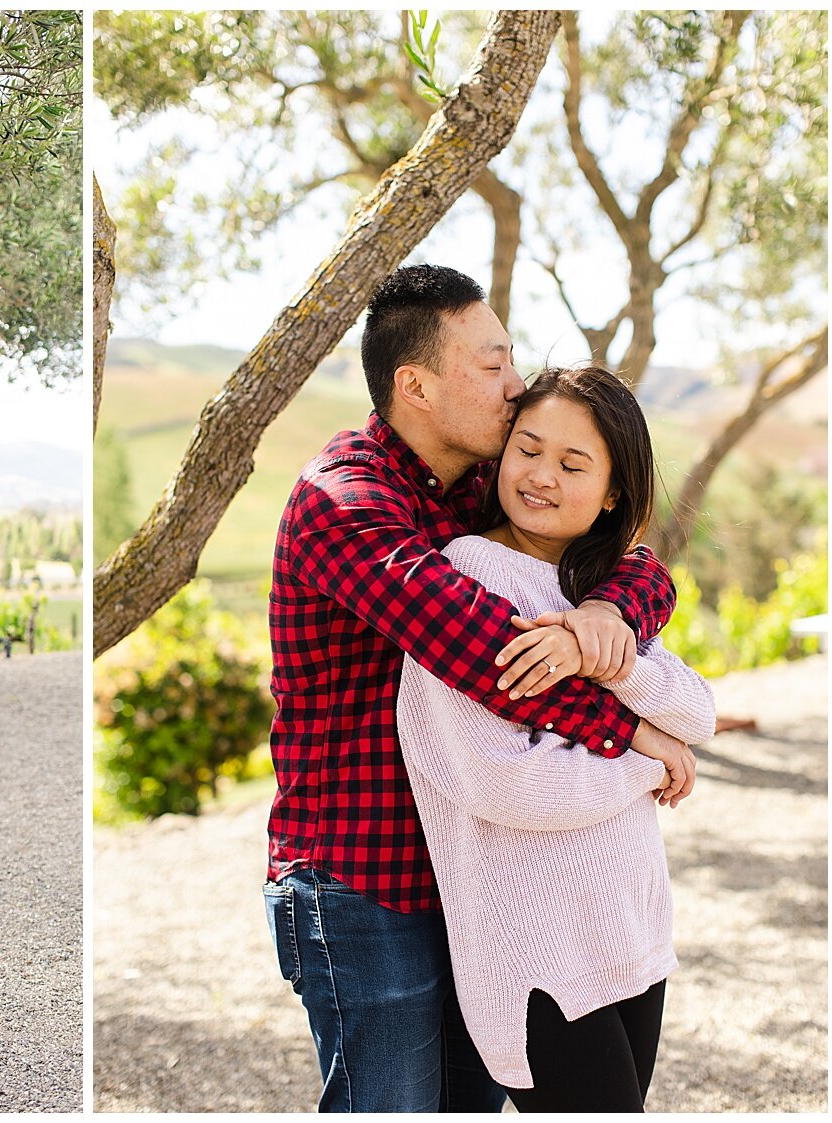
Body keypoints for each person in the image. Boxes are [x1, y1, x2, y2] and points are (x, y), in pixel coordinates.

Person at [264, 265, 690, 1112]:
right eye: (492, 364)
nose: (515, 384)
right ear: (415, 384)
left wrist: (607, 609)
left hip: (467, 879)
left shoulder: (472, 486)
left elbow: (635, 565)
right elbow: (488, 652)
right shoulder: (344, 502)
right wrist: (634, 732)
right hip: (362, 881)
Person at [396, 364, 713, 1111]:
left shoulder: (598, 590)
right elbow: (511, 781)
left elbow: (695, 712)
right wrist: (646, 756)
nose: (541, 476)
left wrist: (609, 649)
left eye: (572, 464)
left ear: (612, 492)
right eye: (527, 450)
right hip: (539, 950)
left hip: (627, 930)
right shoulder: (469, 579)